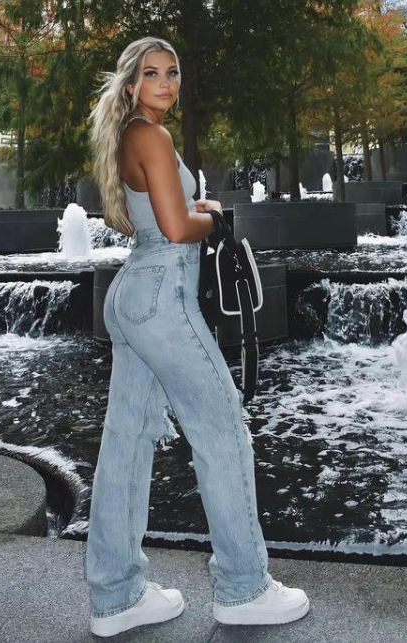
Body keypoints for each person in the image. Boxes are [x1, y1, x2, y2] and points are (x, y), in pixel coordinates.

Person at [84, 36, 310, 638]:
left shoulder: (129, 134)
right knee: (222, 431)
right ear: (132, 83)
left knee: (127, 443)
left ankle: (116, 596)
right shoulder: (153, 137)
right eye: (151, 73)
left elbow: (147, 219)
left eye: (173, 72)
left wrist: (193, 207)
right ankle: (244, 588)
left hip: (133, 293)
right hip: (164, 296)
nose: (166, 82)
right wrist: (214, 218)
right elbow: (178, 228)